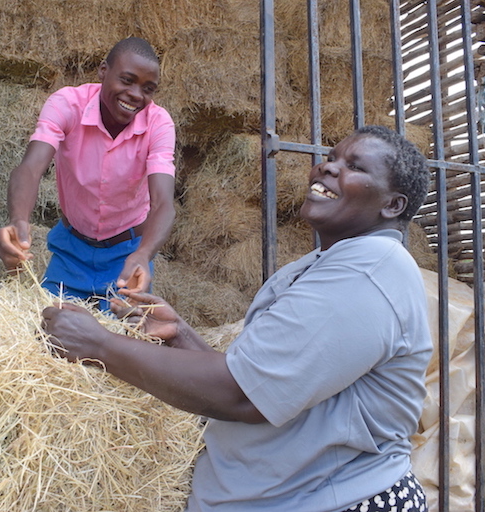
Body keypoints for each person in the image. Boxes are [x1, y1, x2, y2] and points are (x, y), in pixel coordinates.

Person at [42, 125, 432, 511]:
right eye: (331, 158)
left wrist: (99, 344)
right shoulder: (325, 264)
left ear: (393, 205)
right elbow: (262, 380)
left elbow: (242, 395)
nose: (327, 168)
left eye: (354, 166)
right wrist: (181, 337)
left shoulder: (368, 271)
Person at [0, 37, 176, 304]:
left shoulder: (159, 124)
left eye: (148, 88)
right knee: (48, 333)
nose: (137, 94)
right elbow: (31, 168)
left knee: (121, 340)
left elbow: (163, 204)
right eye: (127, 80)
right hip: (70, 250)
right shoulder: (67, 104)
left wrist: (143, 255)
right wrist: (18, 219)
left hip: (128, 254)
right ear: (104, 71)